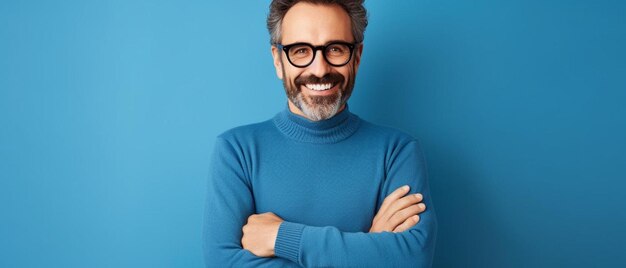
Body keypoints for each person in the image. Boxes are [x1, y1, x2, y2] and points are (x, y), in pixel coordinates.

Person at [202, 0, 437, 267]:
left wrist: (282, 236)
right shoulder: (237, 151)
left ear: (357, 58)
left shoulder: (397, 151)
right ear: (278, 60)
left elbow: (413, 259)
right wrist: (370, 247)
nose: (319, 69)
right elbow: (223, 262)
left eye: (335, 49)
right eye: (300, 51)